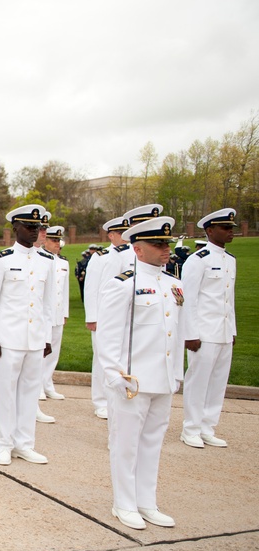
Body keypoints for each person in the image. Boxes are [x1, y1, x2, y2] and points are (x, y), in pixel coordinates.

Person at [97, 216, 182, 530]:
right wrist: (113, 374)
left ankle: (147, 501)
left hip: (161, 379)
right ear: (137, 248)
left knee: (152, 443)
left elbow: (175, 333)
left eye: (166, 244)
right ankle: (124, 503)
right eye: (158, 244)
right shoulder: (123, 284)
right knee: (126, 443)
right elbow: (108, 334)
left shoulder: (174, 284)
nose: (164, 249)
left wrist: (176, 374)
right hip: (132, 381)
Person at [0, 204, 54, 466]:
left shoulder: (47, 261)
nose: (34, 231)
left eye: (37, 226)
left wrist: (46, 337)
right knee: (6, 392)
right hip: (8, 339)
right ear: (16, 228)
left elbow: (47, 305)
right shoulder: (1, 260)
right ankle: (5, 443)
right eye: (29, 226)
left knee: (29, 392)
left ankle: (25, 444)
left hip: (35, 338)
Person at [85, 205, 161, 420]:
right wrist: (93, 317)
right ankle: (101, 401)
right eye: (120, 232)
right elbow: (95, 288)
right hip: (109, 317)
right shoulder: (108, 256)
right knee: (104, 360)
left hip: (139, 317)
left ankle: (131, 395)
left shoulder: (146, 253)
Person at [180, 208, 238, 448]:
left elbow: (228, 299)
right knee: (198, 380)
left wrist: (232, 330)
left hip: (223, 330)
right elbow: (188, 299)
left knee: (218, 382)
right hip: (203, 332)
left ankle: (207, 427)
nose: (230, 232)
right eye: (225, 228)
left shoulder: (230, 260)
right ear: (210, 230)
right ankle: (190, 428)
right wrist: (190, 334)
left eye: (231, 228)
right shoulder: (198, 260)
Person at [40, 225, 69, 401]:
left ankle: (47, 383)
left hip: (57, 314)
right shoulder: (42, 260)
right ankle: (38, 387)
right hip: (44, 314)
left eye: (58, 240)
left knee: (54, 352)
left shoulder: (63, 262)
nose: (57, 243)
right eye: (53, 240)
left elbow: (64, 291)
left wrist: (64, 312)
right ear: (45, 241)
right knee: (42, 351)